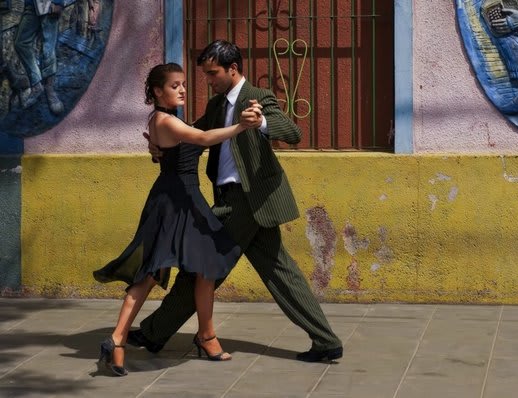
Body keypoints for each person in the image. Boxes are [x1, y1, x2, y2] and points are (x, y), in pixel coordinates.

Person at [130, 40, 343, 363]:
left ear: (233, 69)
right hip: (243, 202)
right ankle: (326, 341)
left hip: (244, 201)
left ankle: (154, 332)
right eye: (205, 74)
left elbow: (292, 132)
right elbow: (188, 138)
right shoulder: (217, 106)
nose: (208, 81)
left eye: (212, 74)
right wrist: (158, 148)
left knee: (201, 268)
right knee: (281, 273)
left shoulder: (257, 98)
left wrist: (262, 124)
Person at [93, 63, 262, 376]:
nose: (182, 89)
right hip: (176, 202)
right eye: (174, 85)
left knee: (199, 267)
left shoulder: (161, 120)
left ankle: (124, 341)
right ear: (158, 91)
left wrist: (156, 152)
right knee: (157, 272)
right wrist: (241, 126)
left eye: (183, 84)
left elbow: (171, 150)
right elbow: (203, 137)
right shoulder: (166, 121)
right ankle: (126, 338)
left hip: (180, 199)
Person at [14, 0, 65, 114]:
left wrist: (59, 3)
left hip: (51, 4)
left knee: (48, 48)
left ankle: (49, 88)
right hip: (32, 5)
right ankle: (37, 84)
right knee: (21, 43)